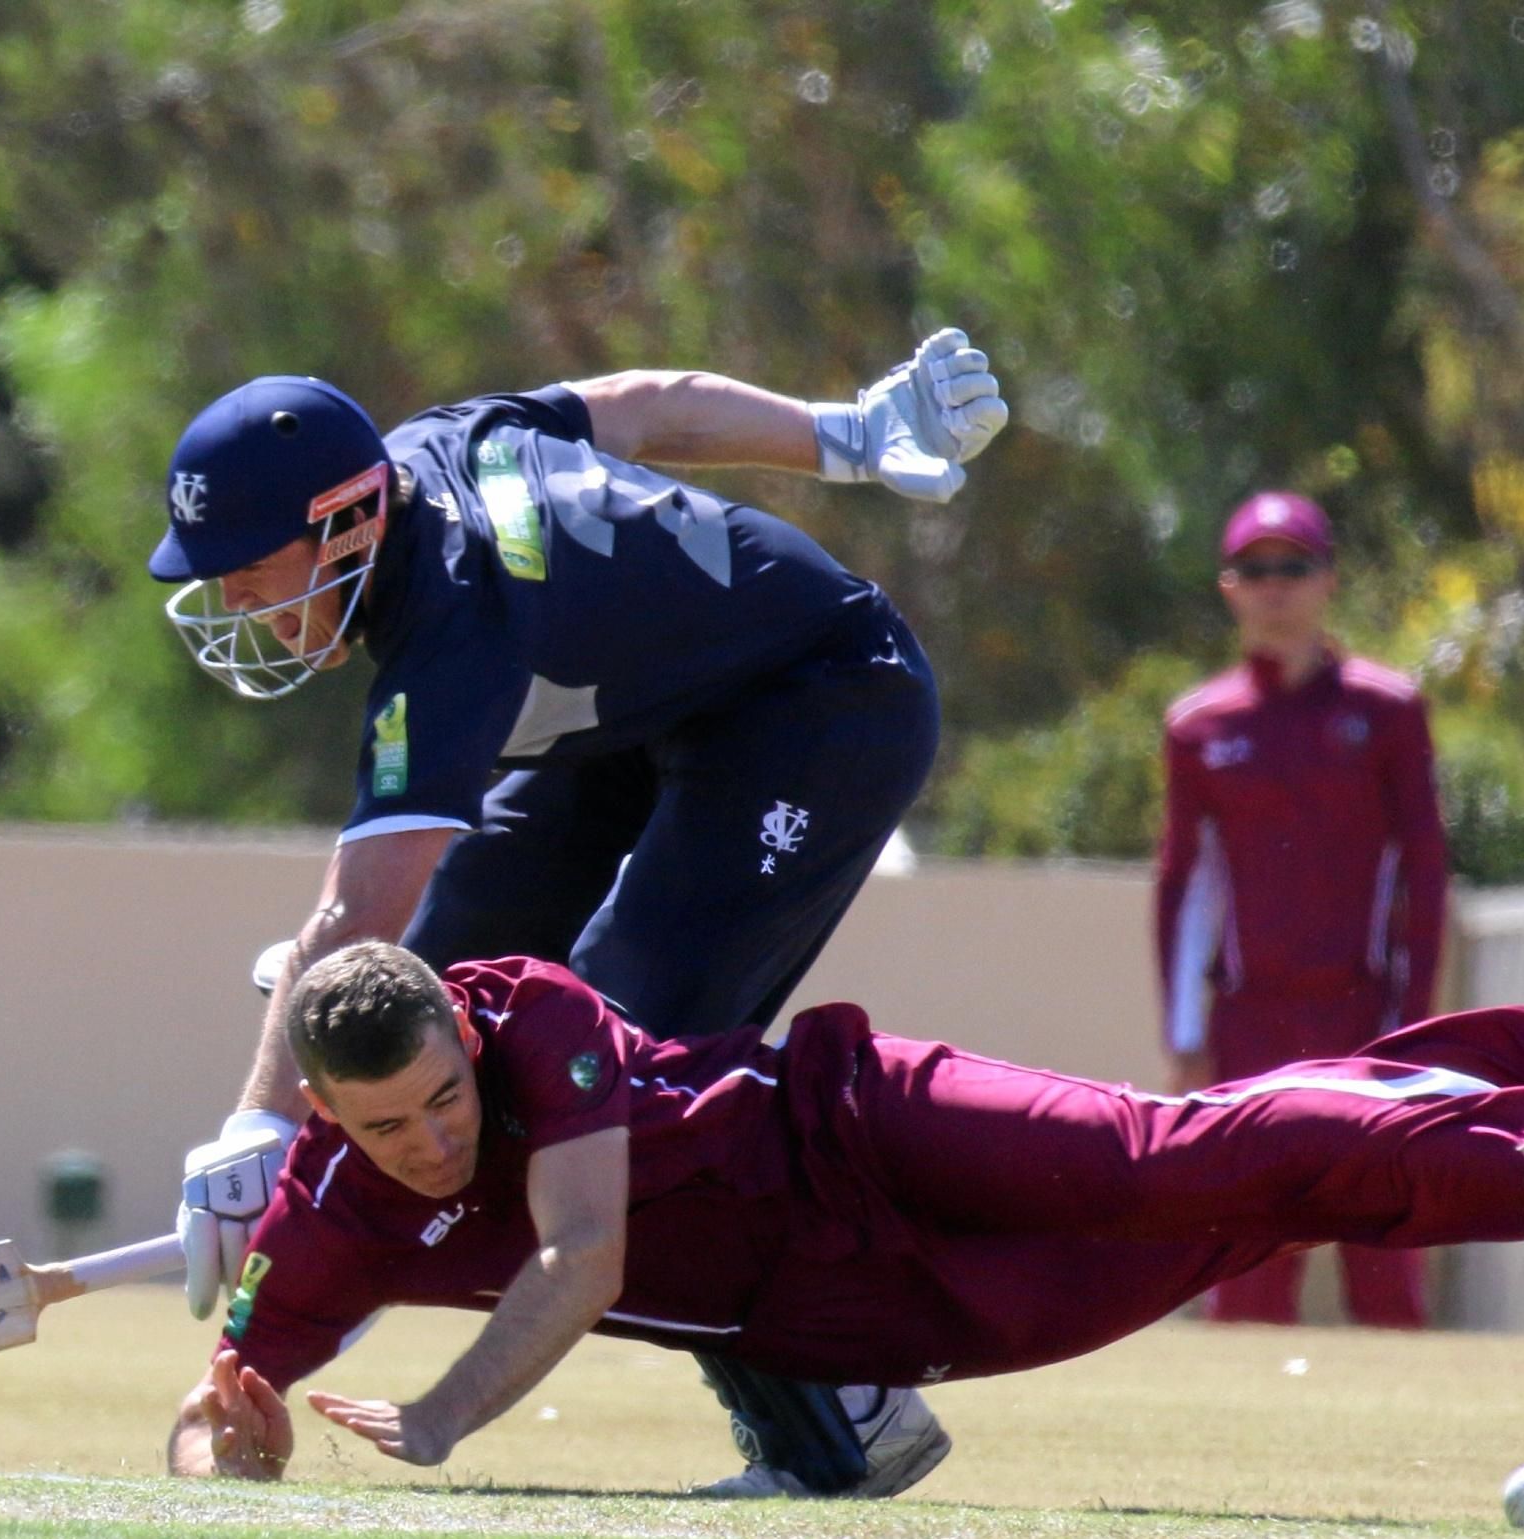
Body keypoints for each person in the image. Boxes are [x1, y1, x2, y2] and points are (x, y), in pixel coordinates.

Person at [152, 335, 1010, 1496]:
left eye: (250, 565)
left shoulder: (451, 611)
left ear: (351, 523)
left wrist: (258, 1124)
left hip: (818, 706)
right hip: (641, 725)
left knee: (597, 1068)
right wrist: (840, 433)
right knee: (419, 1005)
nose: (230, 596)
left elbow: (352, 909)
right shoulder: (423, 453)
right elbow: (649, 405)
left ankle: (843, 1411)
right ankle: (280, 1342)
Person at [166, 941, 1524, 1484]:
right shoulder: (323, 1215)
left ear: (460, 1031)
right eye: (388, 1124)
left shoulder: (521, 1004)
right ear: (324, 1115)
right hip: (862, 1311)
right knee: (1221, 1217)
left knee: (1167, 1154)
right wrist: (226, 1443)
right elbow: (212, 1407)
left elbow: (581, 1249)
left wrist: (447, 1411)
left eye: (444, 1092)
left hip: (865, 1123)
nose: (437, 1136)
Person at [1156, 490, 1452, 1328]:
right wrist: (1184, 1033)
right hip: (1250, 1022)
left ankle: (1409, 1439)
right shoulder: (1200, 726)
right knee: (1247, 1246)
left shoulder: (1386, 712)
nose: (1274, 587)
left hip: (1362, 1014)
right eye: (1256, 569)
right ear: (1229, 586)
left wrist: (1413, 1024)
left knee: (1384, 1236)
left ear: (1327, 581)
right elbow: (1183, 883)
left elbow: (1424, 870)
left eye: (1292, 567)